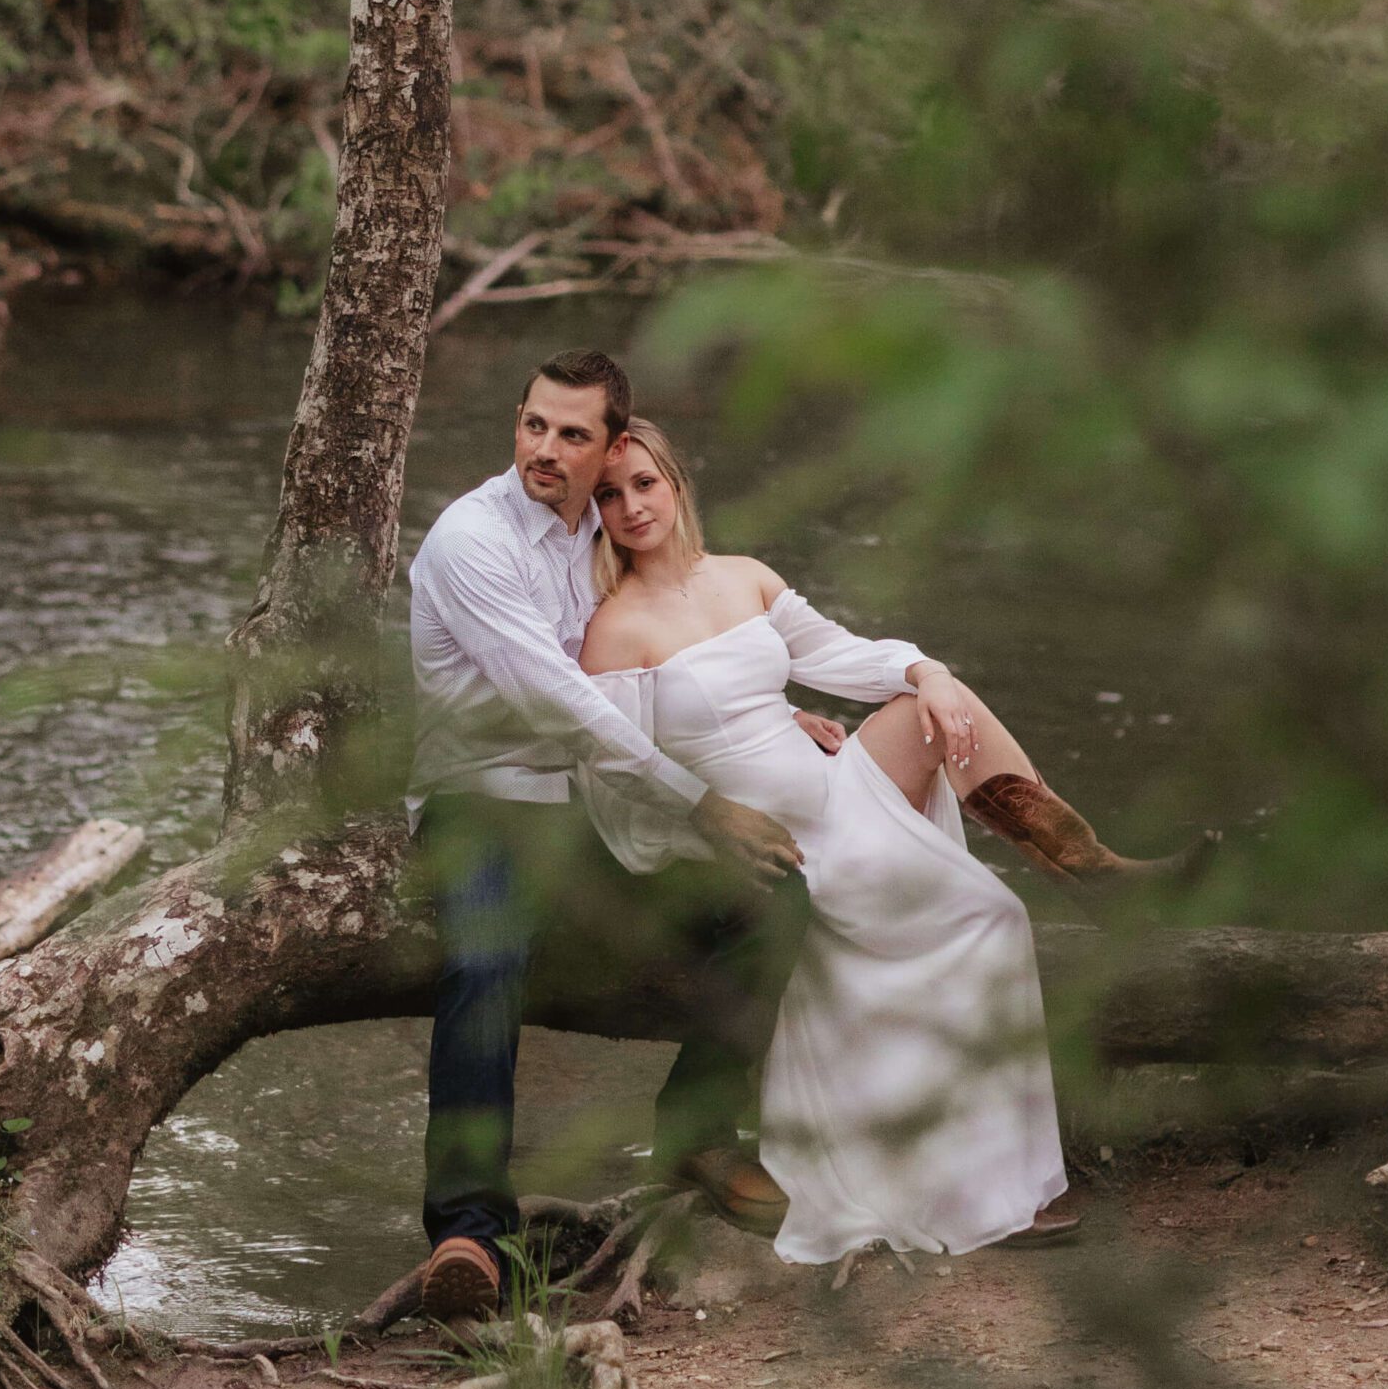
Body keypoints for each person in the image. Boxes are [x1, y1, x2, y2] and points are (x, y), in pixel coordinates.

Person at [578, 420, 1209, 1266]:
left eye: (644, 484)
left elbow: (839, 653)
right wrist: (708, 840)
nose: (631, 506)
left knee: (931, 705)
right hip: (782, 845)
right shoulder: (613, 631)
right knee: (991, 917)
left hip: (837, 789)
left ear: (677, 485)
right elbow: (618, 779)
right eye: (609, 496)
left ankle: (1088, 865)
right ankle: (975, 1193)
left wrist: (928, 673)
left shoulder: (743, 578)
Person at [408, 348, 839, 1326]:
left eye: (570, 434)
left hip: (593, 800)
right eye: (532, 425)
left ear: (608, 447)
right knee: (485, 959)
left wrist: (777, 719)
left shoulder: (594, 538)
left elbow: (672, 668)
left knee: (776, 898)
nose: (543, 450)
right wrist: (697, 803)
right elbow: (559, 701)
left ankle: (695, 1129)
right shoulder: (469, 540)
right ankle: (467, 1229)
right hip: (482, 798)